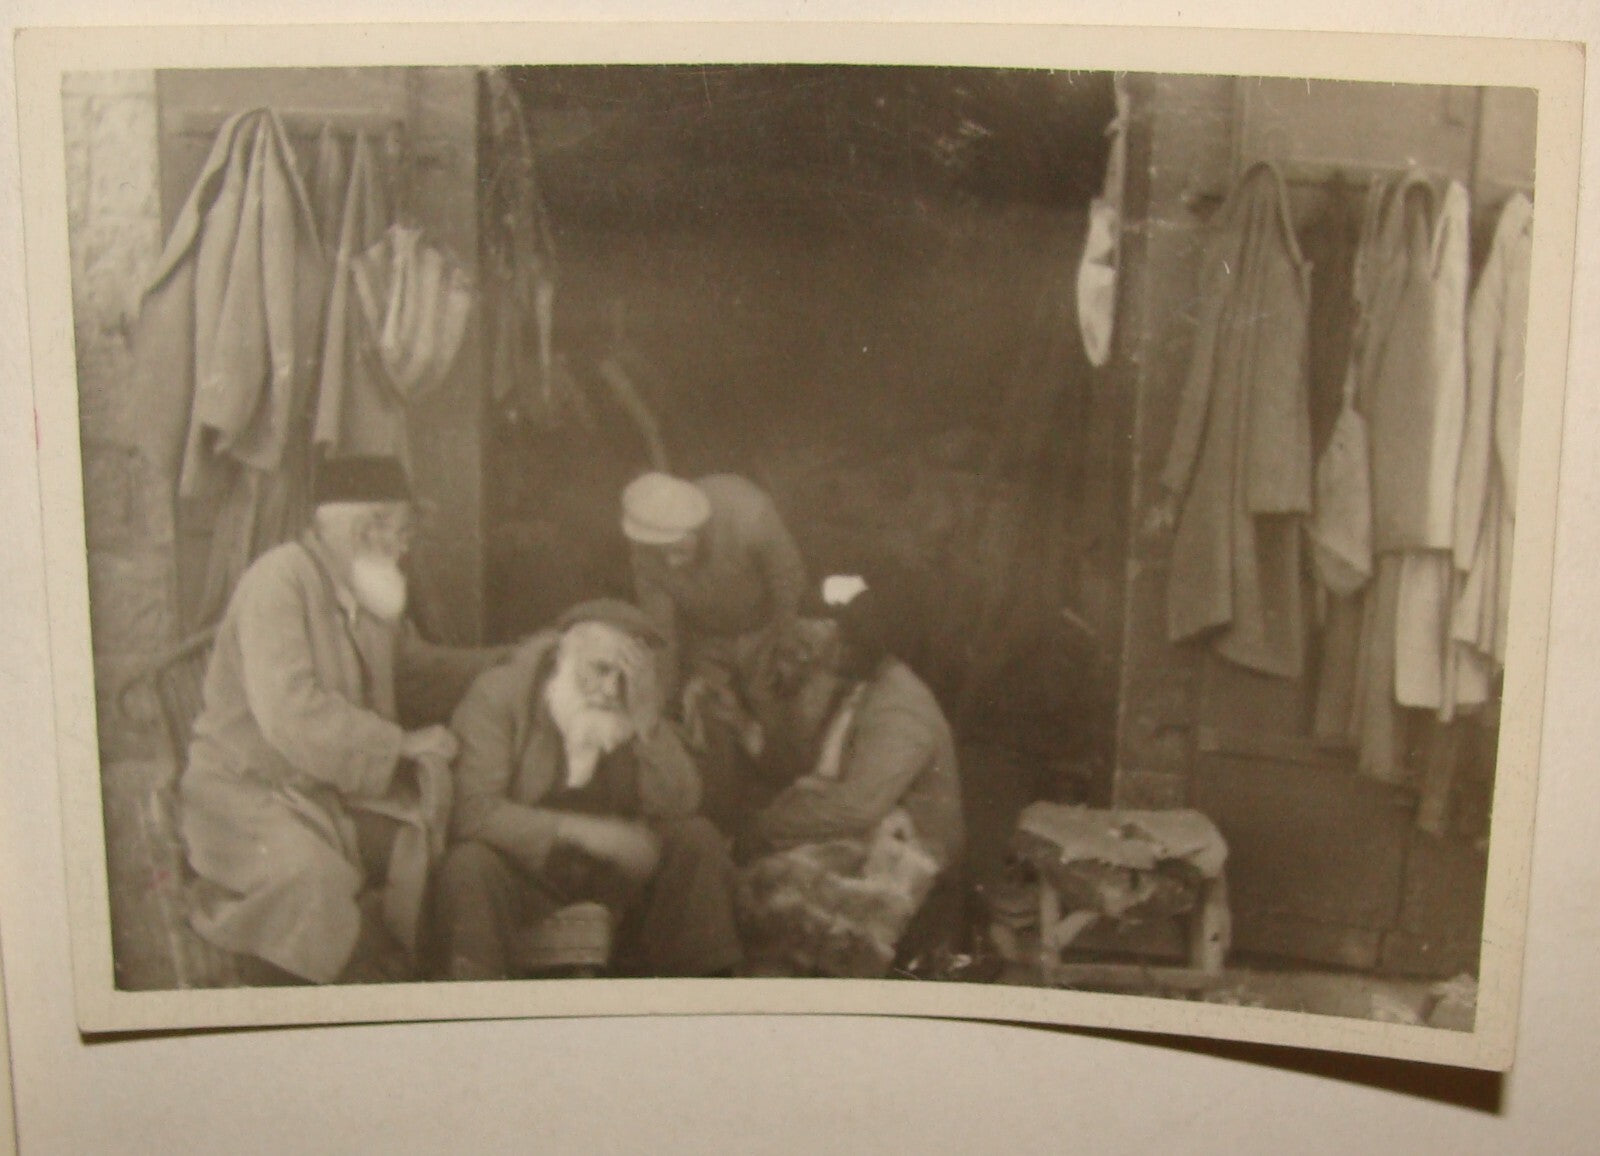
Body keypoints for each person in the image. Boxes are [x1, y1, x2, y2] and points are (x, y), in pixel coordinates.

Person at [178, 455, 512, 985]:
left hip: (320, 795)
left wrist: (508, 659)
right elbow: (290, 714)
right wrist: (401, 745)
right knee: (314, 881)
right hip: (243, 797)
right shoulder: (279, 579)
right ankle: (325, 998)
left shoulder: (365, 587)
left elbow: (415, 672)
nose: (405, 549)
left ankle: (395, 972)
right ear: (366, 527)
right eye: (401, 533)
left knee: (422, 840)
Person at [436, 599, 742, 981]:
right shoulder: (499, 694)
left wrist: (648, 725)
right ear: (563, 656)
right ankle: (474, 1015)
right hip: (527, 875)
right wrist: (592, 834)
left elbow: (682, 802)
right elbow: (473, 812)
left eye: (626, 677)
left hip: (615, 877)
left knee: (697, 839)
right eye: (600, 670)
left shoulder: (634, 703)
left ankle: (704, 1002)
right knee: (468, 865)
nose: (612, 690)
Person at [733, 580, 966, 978]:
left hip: (909, 846)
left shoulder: (900, 708)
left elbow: (857, 808)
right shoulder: (859, 688)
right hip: (862, 826)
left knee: (773, 897)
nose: (823, 653)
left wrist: (767, 827)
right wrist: (750, 717)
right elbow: (808, 765)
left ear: (863, 645)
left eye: (836, 642)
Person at [621, 471, 808, 825]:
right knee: (709, 722)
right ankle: (725, 825)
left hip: (765, 628)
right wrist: (659, 704)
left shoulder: (748, 513)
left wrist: (786, 647)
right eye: (660, 554)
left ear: (697, 529)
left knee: (775, 719)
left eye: (677, 550)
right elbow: (661, 633)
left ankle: (790, 815)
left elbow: (787, 579)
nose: (671, 565)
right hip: (705, 638)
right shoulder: (645, 549)